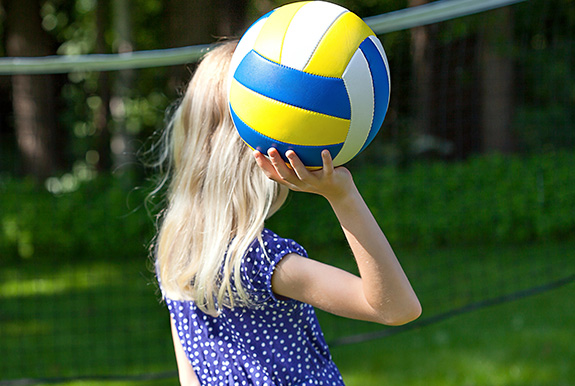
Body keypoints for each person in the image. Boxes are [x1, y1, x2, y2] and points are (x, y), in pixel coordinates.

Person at [153, 40, 421, 386]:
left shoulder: (175, 252)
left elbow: (190, 380)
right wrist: (342, 195)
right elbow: (397, 307)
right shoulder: (263, 261)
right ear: (258, 150)